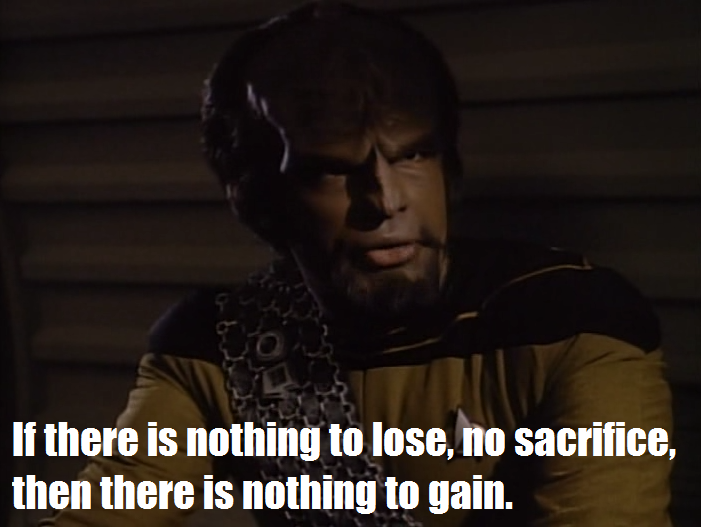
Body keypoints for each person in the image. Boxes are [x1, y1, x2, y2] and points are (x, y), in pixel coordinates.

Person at [40, 1, 672, 526]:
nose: (385, 201)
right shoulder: (219, 344)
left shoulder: (572, 320)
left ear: (449, 167)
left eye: (413, 156)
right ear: (260, 199)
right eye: (331, 170)